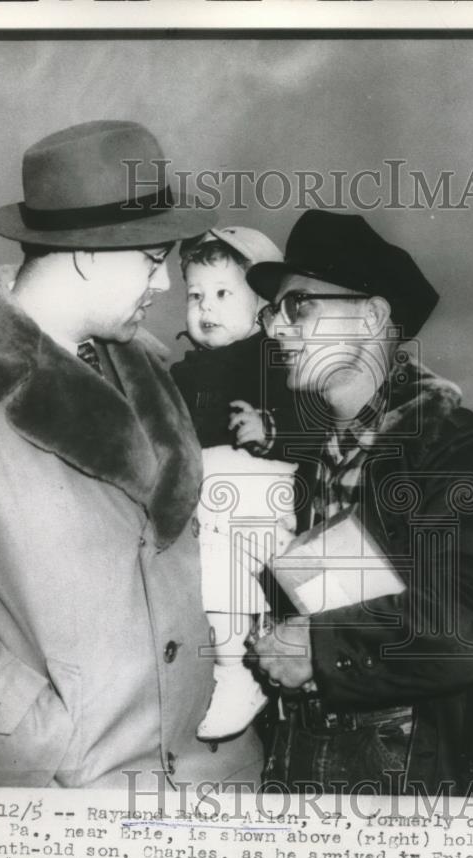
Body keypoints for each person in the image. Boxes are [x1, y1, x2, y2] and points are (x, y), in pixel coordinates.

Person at [0, 120, 262, 790]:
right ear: (86, 252)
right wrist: (64, 752)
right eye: (155, 259)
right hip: (59, 811)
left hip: (211, 790)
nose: (164, 286)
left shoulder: (154, 369)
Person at [246, 209, 473, 797]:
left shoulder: (459, 450)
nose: (274, 329)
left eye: (298, 306)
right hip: (315, 766)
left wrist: (322, 647)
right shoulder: (316, 466)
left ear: (373, 315)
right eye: (271, 312)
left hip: (431, 780)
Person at [170, 228, 298, 741]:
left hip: (265, 507)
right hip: (215, 511)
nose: (207, 307)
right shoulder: (180, 375)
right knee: (203, 565)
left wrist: (276, 432)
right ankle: (227, 658)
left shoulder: (276, 360)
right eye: (196, 295)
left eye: (224, 293)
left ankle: (238, 670)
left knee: (221, 565)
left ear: (265, 308)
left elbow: (322, 425)